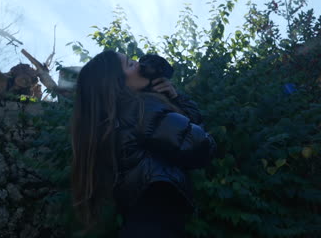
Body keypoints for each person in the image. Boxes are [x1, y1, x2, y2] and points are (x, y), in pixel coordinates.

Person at [71, 50, 218, 237]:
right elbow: (202, 146)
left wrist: (174, 98)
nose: (140, 65)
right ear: (117, 82)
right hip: (157, 227)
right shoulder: (141, 110)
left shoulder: (108, 124)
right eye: (131, 64)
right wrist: (177, 101)